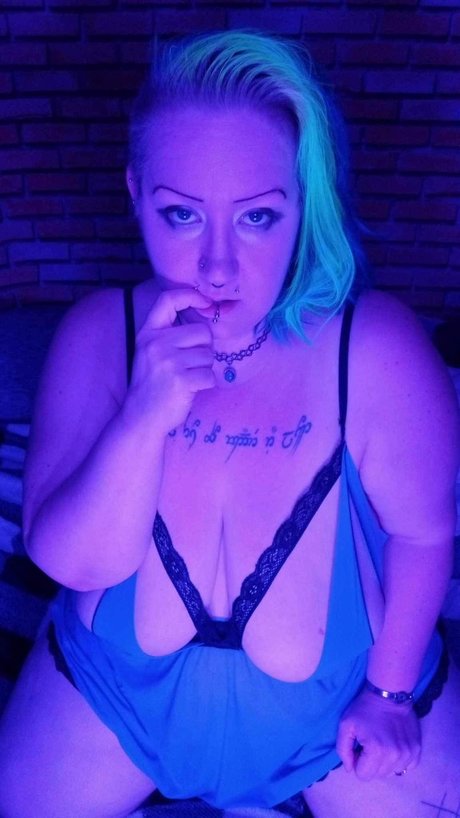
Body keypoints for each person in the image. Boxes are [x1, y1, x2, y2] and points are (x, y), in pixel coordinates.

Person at [0, 30, 459, 818]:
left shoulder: (374, 346)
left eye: (257, 218)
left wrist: (387, 692)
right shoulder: (98, 332)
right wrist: (144, 414)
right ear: (136, 194)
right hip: (115, 697)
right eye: (181, 214)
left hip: (334, 714)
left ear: (302, 206)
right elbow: (70, 562)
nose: (217, 266)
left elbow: (425, 531)